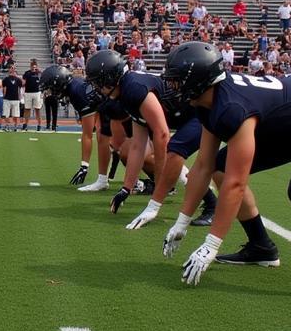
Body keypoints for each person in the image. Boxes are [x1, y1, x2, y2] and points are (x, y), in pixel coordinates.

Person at [160, 41, 291, 304]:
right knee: (219, 169)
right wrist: (182, 220)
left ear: (198, 80)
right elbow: (203, 165)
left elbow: (236, 183)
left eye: (178, 81)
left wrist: (212, 243)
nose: (173, 87)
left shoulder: (232, 106)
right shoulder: (208, 101)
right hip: (288, 124)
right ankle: (261, 247)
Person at [84, 50, 216, 227]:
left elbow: (162, 134)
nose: (96, 88)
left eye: (97, 82)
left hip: (200, 114)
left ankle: (213, 206)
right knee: (152, 151)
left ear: (109, 78)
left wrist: (158, 195)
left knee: (174, 153)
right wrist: (126, 188)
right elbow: (138, 146)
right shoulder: (126, 92)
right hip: (185, 116)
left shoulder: (133, 88)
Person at [22, 59, 43, 131]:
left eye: (35, 66)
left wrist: (39, 72)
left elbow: (43, 80)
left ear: (36, 66)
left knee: (38, 109)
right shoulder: (27, 73)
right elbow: (23, 83)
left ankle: (39, 124)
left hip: (37, 93)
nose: (33, 68)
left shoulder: (39, 73)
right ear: (30, 66)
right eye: (32, 66)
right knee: (27, 109)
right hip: (28, 93)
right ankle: (25, 124)